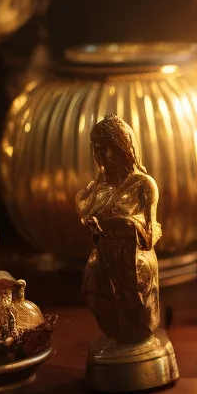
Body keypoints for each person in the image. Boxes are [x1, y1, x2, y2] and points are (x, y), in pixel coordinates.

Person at [77, 115, 163, 344]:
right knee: (93, 278)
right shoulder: (96, 189)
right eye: (98, 149)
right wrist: (94, 227)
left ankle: (137, 328)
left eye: (110, 149)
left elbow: (150, 234)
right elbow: (87, 220)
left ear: (123, 148)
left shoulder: (143, 185)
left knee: (131, 273)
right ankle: (117, 331)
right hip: (103, 255)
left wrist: (126, 226)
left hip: (135, 258)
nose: (103, 156)